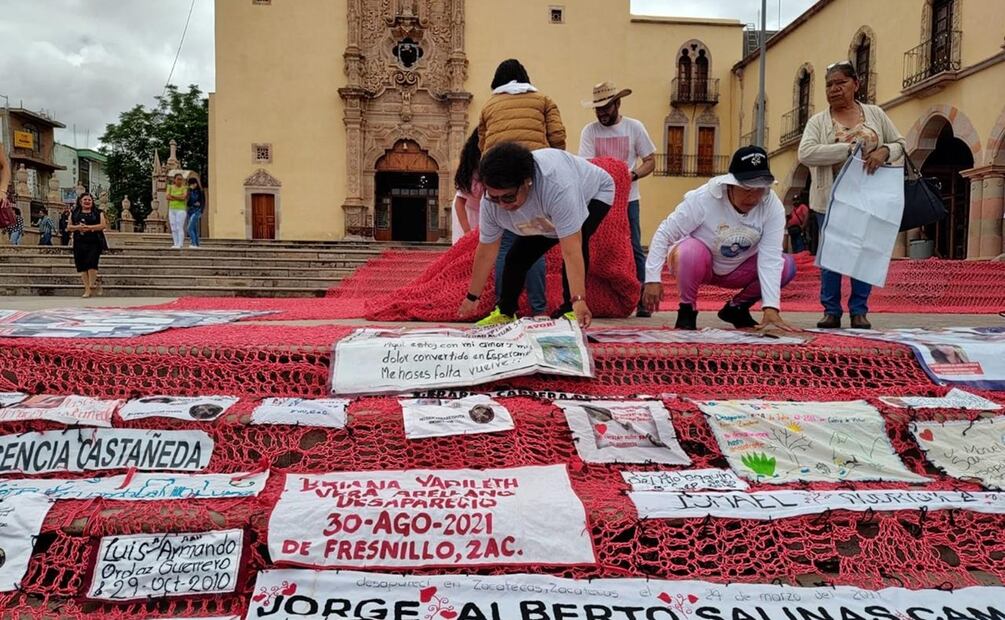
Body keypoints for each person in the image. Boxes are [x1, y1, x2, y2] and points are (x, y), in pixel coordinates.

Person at [457, 142, 615, 328]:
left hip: (594, 194)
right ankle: (506, 312)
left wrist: (579, 299)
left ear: (527, 182)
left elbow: (571, 250)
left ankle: (570, 309)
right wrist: (472, 296)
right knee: (517, 257)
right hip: (545, 210)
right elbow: (486, 251)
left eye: (508, 197)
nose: (502, 205)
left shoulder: (557, 187)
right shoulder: (490, 202)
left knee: (577, 243)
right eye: (494, 197)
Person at [641, 146, 797, 331]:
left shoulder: (772, 206)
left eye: (759, 189)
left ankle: (736, 308)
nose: (753, 197)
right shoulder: (703, 198)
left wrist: (771, 307)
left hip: (740, 268)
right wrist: (652, 279)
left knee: (786, 265)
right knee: (689, 251)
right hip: (701, 264)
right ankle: (687, 310)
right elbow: (664, 233)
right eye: (746, 189)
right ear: (731, 184)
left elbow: (770, 257)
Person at [798, 61, 906, 330]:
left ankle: (859, 311)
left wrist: (884, 152)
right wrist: (845, 150)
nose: (834, 89)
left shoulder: (875, 114)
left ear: (856, 84)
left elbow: (901, 144)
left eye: (840, 83)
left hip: (869, 200)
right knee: (831, 256)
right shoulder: (818, 121)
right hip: (831, 201)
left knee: (865, 253)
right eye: (829, 85)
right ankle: (831, 311)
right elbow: (806, 153)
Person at [478, 59, 562, 316]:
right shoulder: (543, 100)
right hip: (531, 179)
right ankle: (538, 308)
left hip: (499, 182)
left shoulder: (489, 104)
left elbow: (483, 145)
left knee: (505, 247)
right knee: (533, 243)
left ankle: (504, 309)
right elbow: (557, 137)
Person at [579, 81, 656, 317]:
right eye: (598, 109)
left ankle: (641, 299)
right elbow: (586, 165)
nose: (602, 113)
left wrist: (629, 176)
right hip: (599, 200)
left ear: (617, 104)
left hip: (629, 199)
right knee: (594, 246)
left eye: (606, 108)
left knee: (633, 247)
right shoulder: (589, 131)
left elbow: (651, 161)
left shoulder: (634, 128)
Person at [67, 192, 107, 298]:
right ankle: (87, 289)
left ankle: (92, 285)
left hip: (94, 241)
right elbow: (69, 227)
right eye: (85, 200)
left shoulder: (98, 212)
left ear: (92, 201)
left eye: (89, 200)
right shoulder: (74, 212)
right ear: (80, 201)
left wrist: (89, 228)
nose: (87, 201)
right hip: (79, 241)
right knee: (82, 266)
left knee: (92, 263)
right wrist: (78, 228)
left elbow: (103, 225)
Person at [451, 129, 482, 245]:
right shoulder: (470, 169)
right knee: (465, 245)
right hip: (465, 210)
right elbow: (459, 203)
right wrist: (467, 231)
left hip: (485, 211)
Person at [166, 172, 188, 249]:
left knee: (179, 226)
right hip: (172, 209)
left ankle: (180, 243)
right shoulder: (170, 187)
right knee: (173, 226)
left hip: (181, 209)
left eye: (181, 180)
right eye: (178, 179)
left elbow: (184, 197)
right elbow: (167, 197)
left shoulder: (184, 188)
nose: (180, 181)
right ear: (174, 180)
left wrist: (173, 196)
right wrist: (178, 197)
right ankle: (175, 243)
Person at [186, 176, 205, 248]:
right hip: (190, 210)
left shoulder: (200, 192)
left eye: (192, 184)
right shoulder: (190, 192)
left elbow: (203, 202)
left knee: (189, 227)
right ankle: (197, 244)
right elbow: (188, 203)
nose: (191, 186)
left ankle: (193, 243)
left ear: (195, 184)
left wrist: (201, 211)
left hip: (197, 211)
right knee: (194, 228)